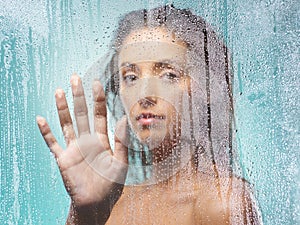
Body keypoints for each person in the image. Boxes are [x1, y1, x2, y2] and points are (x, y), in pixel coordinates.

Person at [36, 5, 262, 225]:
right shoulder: (113, 205)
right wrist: (83, 216)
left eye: (169, 75)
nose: (143, 95)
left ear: (206, 89)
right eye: (131, 77)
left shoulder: (223, 203)